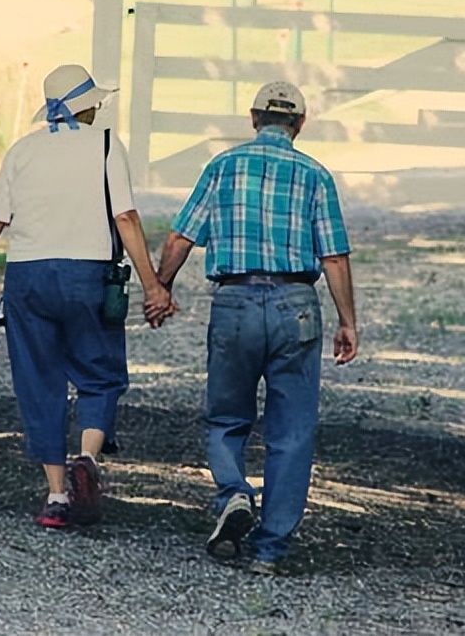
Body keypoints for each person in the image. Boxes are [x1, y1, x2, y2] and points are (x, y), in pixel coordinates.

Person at [155, 81, 357, 574]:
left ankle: (233, 494)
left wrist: (160, 287)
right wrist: (348, 321)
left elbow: (182, 237)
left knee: (226, 416)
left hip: (236, 301)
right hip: (296, 305)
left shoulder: (222, 167)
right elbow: (333, 254)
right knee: (292, 430)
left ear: (252, 118)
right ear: (300, 125)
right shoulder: (315, 175)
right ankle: (270, 550)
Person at [0, 64, 171, 530]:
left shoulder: (22, 151)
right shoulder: (104, 145)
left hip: (28, 278)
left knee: (40, 381)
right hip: (88, 274)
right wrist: (152, 285)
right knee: (99, 374)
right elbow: (126, 219)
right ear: (87, 105)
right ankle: (88, 459)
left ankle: (57, 495)